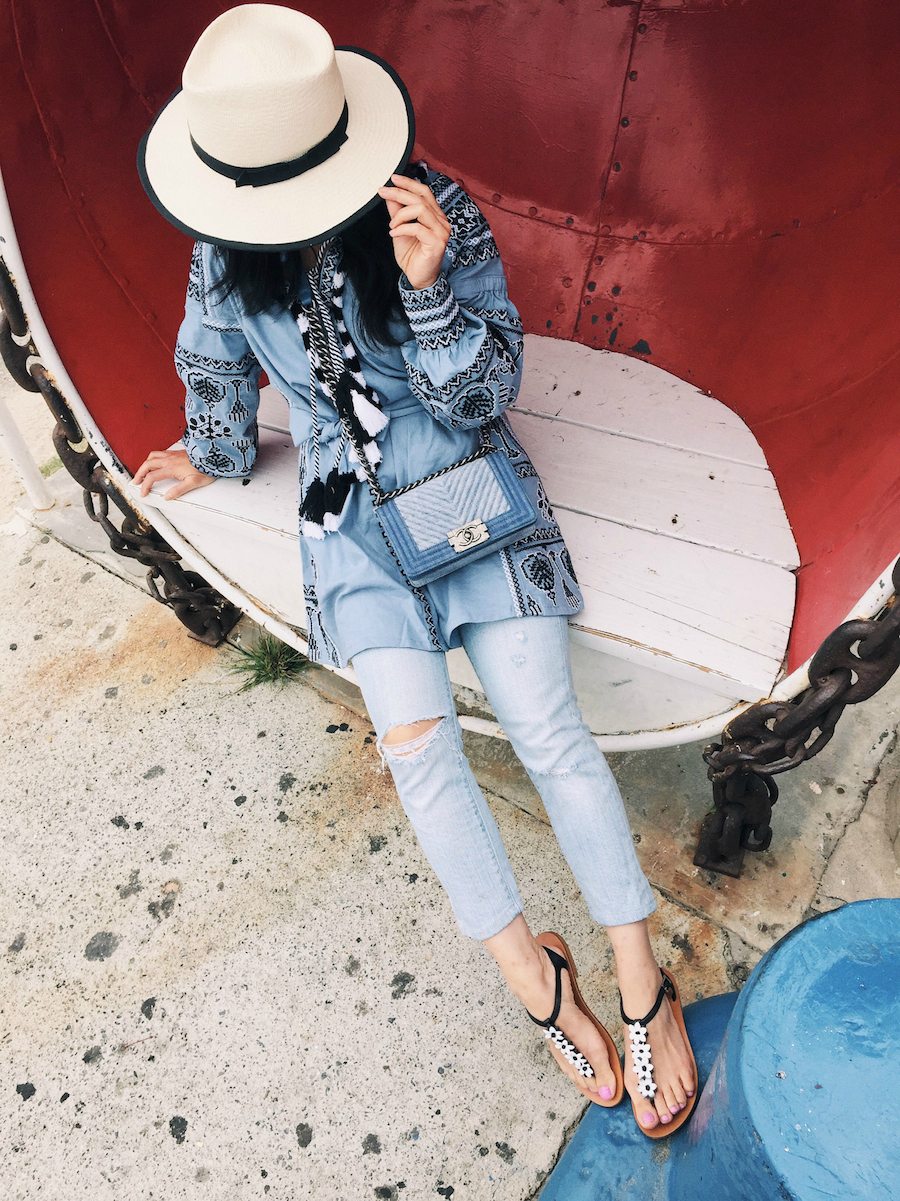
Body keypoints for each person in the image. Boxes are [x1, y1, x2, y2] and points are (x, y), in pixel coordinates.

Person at [134, 4, 697, 1136]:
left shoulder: (425, 210)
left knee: (546, 728)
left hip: (470, 485)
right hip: (350, 519)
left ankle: (645, 988)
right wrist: (212, 450)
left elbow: (486, 398)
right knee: (418, 753)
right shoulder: (222, 256)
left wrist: (431, 291)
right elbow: (213, 358)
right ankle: (538, 983)